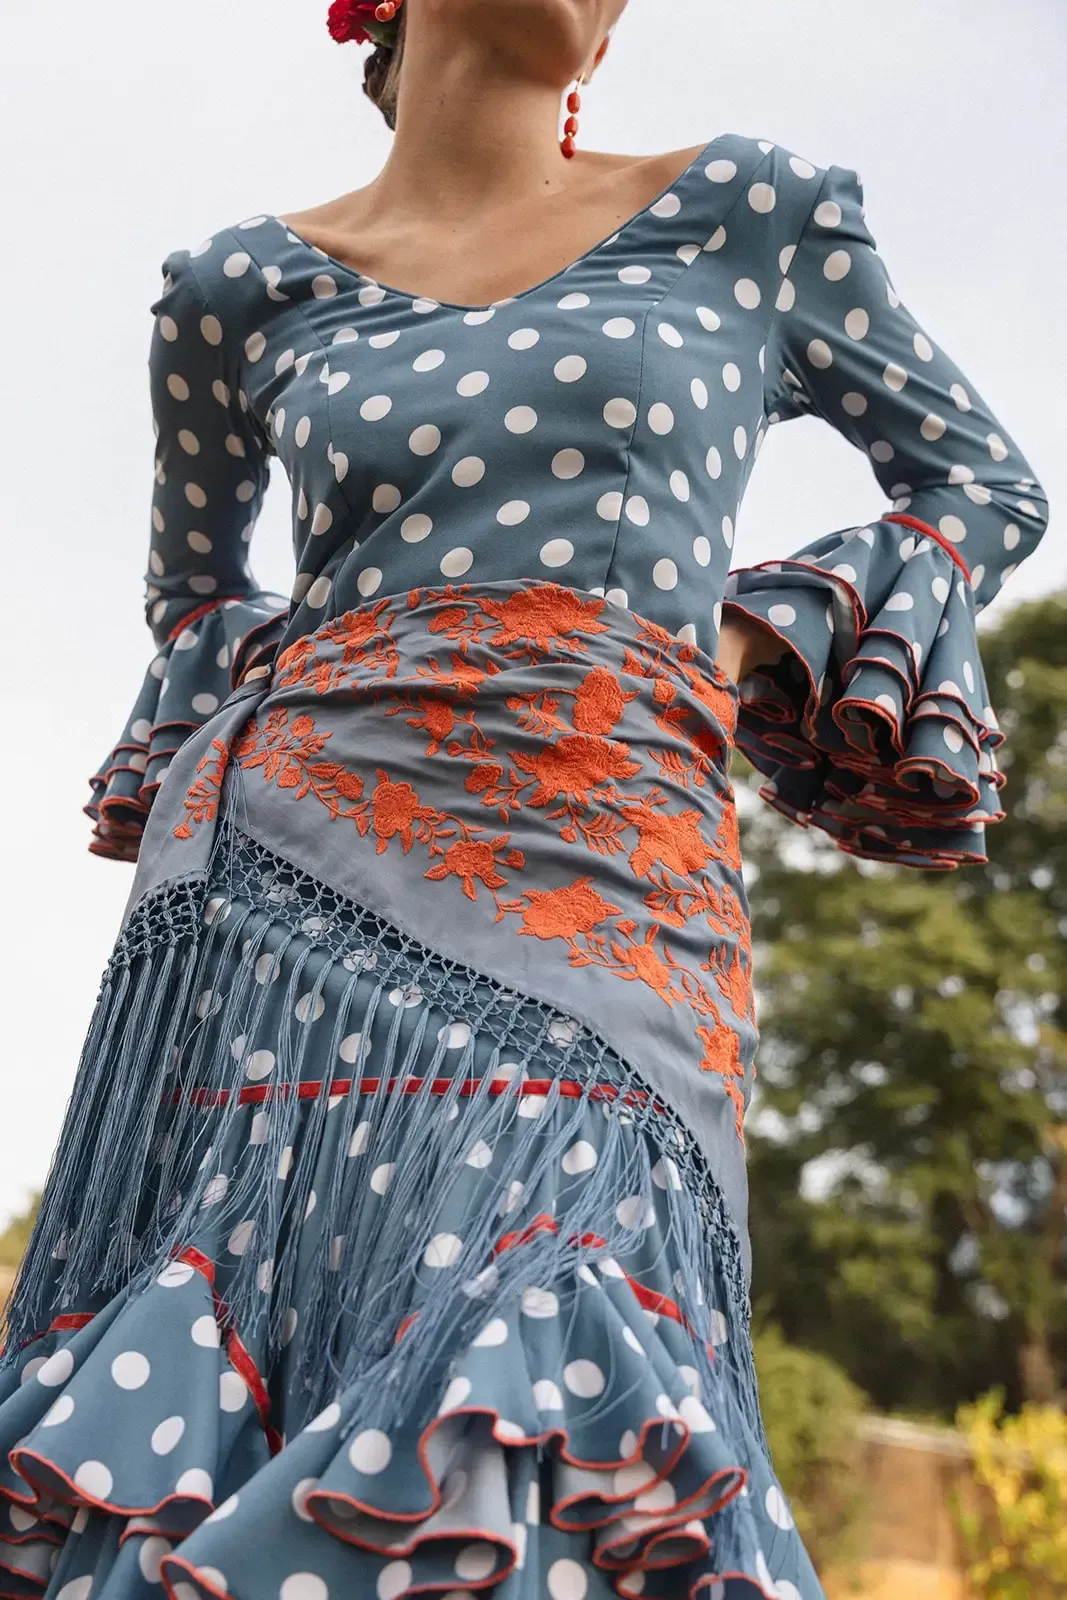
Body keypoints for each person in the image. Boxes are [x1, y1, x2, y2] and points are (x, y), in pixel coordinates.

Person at [0, 1, 1049, 1596]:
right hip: (271, 917)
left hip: (603, 890)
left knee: (558, 1344)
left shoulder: (743, 208)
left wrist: (747, 637)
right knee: (261, 1359)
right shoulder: (235, 289)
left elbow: (976, 480)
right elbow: (196, 601)